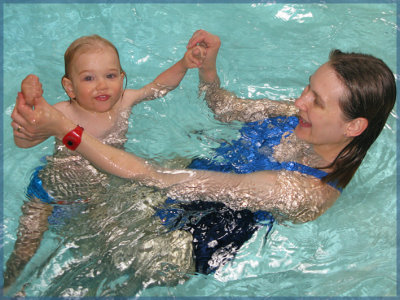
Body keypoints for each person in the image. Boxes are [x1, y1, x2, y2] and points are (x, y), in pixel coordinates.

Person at [12, 29, 396, 278]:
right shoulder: (298, 114)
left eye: (316, 100)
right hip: (188, 179)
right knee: (71, 205)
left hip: (186, 239)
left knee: (83, 274)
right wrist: (206, 68)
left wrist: (65, 130)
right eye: (307, 88)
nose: (299, 101)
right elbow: (225, 108)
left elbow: (157, 178)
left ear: (353, 127)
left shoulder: (301, 191)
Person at [5, 34, 205, 290]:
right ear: (70, 87)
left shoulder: (124, 101)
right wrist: (30, 100)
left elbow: (158, 87)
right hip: (50, 192)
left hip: (98, 193)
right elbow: (25, 139)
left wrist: (183, 63)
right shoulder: (62, 113)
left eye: (110, 76)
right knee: (27, 246)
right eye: (89, 78)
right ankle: (11, 286)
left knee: (107, 243)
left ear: (122, 79)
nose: (102, 85)